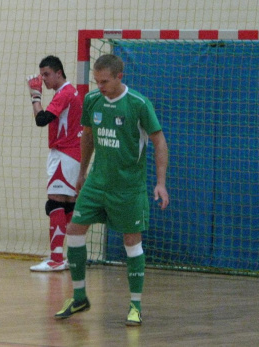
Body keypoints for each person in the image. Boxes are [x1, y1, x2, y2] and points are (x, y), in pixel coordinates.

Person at [54, 54, 169, 326]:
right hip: (97, 182)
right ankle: (79, 296)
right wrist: (82, 172)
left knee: (132, 241)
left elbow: (159, 142)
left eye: (105, 81)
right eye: (97, 81)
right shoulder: (92, 100)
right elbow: (89, 136)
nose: (100, 86)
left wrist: (161, 182)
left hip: (128, 187)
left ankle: (135, 305)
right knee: (74, 230)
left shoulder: (138, 104)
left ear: (120, 76)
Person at [26, 55, 82, 271]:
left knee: (55, 203)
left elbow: (42, 120)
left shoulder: (65, 93)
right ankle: (66, 255)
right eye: (41, 75)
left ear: (59, 73)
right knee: (67, 204)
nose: (43, 79)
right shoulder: (70, 92)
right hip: (72, 154)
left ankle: (56, 259)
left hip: (64, 154)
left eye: (46, 74)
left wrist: (35, 96)